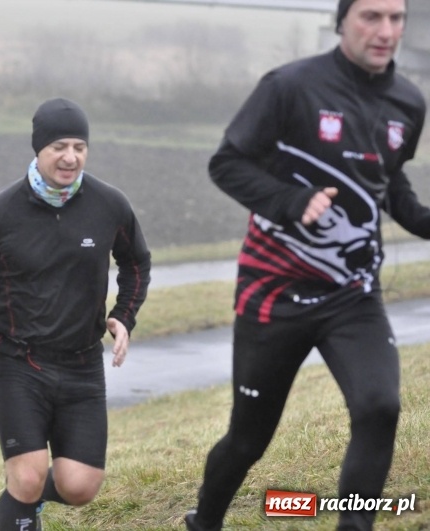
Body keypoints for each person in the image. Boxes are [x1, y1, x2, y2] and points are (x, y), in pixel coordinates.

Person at [185, 1, 426, 530]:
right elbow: (225, 163)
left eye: (396, 18)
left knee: (379, 407)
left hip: (353, 293)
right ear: (342, 20)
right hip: (274, 292)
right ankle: (204, 521)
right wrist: (292, 203)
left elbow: (389, 183)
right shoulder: (289, 86)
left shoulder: (409, 102)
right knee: (249, 437)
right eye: (371, 16)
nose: (385, 30)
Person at [0, 97, 151, 530]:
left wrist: (123, 316)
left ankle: (26, 500)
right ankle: (23, 496)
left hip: (81, 365)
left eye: (79, 145)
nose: (70, 157)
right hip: (19, 362)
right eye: (59, 146)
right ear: (38, 149)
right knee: (28, 474)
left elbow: (136, 263)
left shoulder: (109, 205)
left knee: (80, 486)